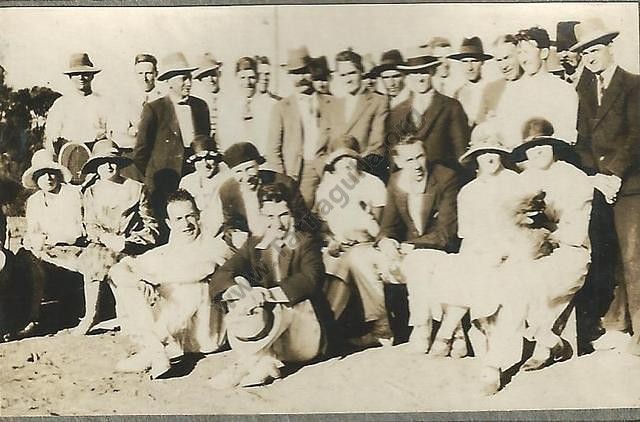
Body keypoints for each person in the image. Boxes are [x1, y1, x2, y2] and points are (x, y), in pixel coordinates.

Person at [402, 124, 520, 361]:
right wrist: (473, 257)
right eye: (483, 152)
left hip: (513, 249)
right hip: (481, 251)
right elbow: (468, 236)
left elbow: (523, 227)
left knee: (483, 271)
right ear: (475, 157)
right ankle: (454, 337)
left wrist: (503, 251)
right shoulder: (469, 191)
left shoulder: (515, 182)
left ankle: (445, 332)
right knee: (458, 268)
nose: (489, 157)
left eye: (494, 151)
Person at [208, 183, 330, 388]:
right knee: (238, 292)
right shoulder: (255, 243)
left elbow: (310, 279)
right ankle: (263, 363)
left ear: (293, 215)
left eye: (283, 215)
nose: (278, 224)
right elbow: (222, 275)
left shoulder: (305, 241)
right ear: (262, 217)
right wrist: (242, 291)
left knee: (279, 303)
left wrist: (267, 294)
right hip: (273, 336)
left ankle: (246, 364)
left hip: (303, 333)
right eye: (270, 217)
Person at [344, 136, 459, 345]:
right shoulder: (397, 181)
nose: (416, 165)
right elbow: (388, 225)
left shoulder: (446, 177)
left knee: (419, 262)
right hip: (406, 251)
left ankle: (423, 329)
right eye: (409, 160)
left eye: (420, 157)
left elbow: (445, 232)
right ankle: (382, 327)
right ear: (398, 162)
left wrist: (411, 246)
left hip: (437, 250)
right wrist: (386, 241)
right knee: (358, 257)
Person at [570, 18, 640, 355]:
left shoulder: (634, 85)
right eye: (584, 53)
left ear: (610, 48)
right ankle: (616, 323)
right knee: (606, 254)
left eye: (595, 50)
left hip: (631, 186)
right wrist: (596, 176)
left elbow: (636, 138)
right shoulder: (583, 91)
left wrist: (613, 173)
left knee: (633, 256)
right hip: (600, 185)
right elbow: (581, 141)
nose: (590, 57)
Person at [110, 189, 231, 379]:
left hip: (205, 334)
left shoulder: (215, 245)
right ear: (169, 223)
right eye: (179, 219)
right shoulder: (165, 252)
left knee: (197, 285)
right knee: (129, 283)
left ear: (199, 216)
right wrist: (139, 280)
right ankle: (157, 350)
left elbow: (206, 268)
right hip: (175, 337)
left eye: (190, 216)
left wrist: (155, 280)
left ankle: (154, 348)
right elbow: (118, 269)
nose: (186, 224)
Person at [76, 140, 159, 335]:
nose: (108, 166)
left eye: (112, 160)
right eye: (102, 162)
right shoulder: (91, 192)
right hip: (103, 246)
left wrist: (128, 242)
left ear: (119, 164)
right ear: (96, 166)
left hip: (130, 246)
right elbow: (90, 224)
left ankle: (124, 315)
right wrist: (106, 238)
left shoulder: (136, 188)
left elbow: (152, 226)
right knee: (95, 256)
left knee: (120, 265)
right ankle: (91, 313)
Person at [14, 149, 86, 338]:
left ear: (58, 174)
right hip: (44, 250)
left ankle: (34, 318)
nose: (47, 178)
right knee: (24, 261)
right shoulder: (34, 201)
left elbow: (76, 230)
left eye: (51, 173)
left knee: (37, 263)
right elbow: (33, 232)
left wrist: (50, 240)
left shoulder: (72, 195)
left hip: (71, 249)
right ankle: (24, 317)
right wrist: (35, 241)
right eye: (41, 174)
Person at [314, 134, 387, 319]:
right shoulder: (326, 189)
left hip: (367, 245)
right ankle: (325, 326)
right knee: (323, 267)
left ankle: (381, 324)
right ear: (333, 165)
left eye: (350, 158)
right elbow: (323, 228)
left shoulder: (373, 184)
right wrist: (331, 240)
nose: (346, 164)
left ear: (358, 161)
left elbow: (383, 226)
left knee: (356, 262)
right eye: (340, 159)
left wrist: (363, 235)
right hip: (338, 246)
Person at [134, 52, 211, 198]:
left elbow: (205, 142)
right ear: (169, 81)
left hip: (195, 179)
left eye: (189, 78)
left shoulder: (200, 106)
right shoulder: (154, 109)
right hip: (163, 182)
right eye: (183, 79)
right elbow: (140, 153)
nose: (188, 83)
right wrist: (155, 175)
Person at [218, 142, 314, 251]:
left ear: (258, 165)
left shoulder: (285, 184)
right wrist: (233, 235)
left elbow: (306, 220)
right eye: (238, 172)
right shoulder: (227, 191)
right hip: (249, 247)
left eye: (249, 168)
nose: (246, 177)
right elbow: (229, 223)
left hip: (284, 244)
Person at [387, 47, 470, 173]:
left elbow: (462, 152)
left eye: (424, 72)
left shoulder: (451, 106)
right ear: (407, 76)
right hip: (410, 180)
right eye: (414, 73)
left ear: (432, 72)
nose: (419, 78)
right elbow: (393, 156)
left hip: (444, 180)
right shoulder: (397, 112)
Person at [494, 27, 579, 146]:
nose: (523, 59)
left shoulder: (563, 90)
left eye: (527, 52)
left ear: (543, 53)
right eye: (519, 53)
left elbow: (566, 135)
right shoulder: (512, 92)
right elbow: (503, 131)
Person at [266, 46, 327, 207]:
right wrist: (283, 181)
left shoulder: (329, 102)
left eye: (305, 71)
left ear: (313, 71)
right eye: (295, 73)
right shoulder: (281, 107)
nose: (301, 78)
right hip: (297, 172)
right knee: (304, 219)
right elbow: (273, 150)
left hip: (327, 170)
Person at [319, 49, 389, 182]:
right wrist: (327, 170)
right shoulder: (331, 104)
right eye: (343, 75)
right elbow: (320, 150)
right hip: (333, 176)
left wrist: (355, 170)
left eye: (351, 73)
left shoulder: (378, 101)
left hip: (363, 175)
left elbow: (377, 146)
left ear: (361, 72)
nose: (348, 79)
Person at [44, 53, 111, 182]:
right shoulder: (61, 104)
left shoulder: (104, 102)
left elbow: (112, 130)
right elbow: (51, 136)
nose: (81, 77)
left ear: (92, 76)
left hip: (96, 153)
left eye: (85, 73)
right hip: (69, 154)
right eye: (76, 74)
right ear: (70, 77)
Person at [217, 57, 279, 155]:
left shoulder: (271, 105)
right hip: (237, 162)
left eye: (251, 78)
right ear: (236, 78)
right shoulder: (227, 106)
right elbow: (224, 141)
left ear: (257, 78)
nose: (247, 83)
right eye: (242, 78)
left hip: (264, 161)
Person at [477, 34, 524, 124]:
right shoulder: (491, 89)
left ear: (519, 55)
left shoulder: (534, 83)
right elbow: (479, 126)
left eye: (507, 58)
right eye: (499, 60)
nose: (504, 66)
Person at [179, 134, 228, 219]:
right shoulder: (187, 182)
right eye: (198, 160)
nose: (205, 165)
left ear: (216, 158)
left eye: (209, 158)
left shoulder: (228, 177)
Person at [449, 37, 493, 127]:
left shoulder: (492, 90)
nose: (470, 67)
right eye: (465, 62)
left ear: (482, 62)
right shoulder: (458, 94)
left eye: (474, 61)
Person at [192, 53, 223, 140]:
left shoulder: (228, 99)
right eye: (205, 76)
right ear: (200, 79)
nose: (210, 79)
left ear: (219, 74)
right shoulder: (197, 103)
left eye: (213, 74)